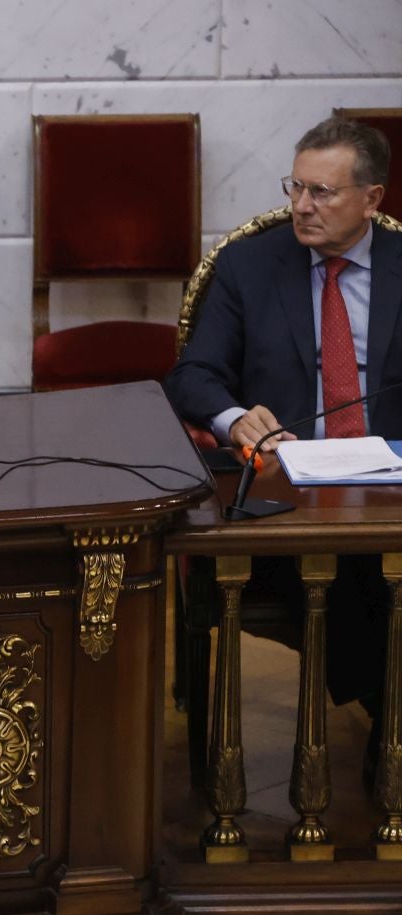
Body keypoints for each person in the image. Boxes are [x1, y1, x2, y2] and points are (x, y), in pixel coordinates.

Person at [165, 117, 398, 755]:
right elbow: (193, 374)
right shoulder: (250, 266)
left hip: (391, 485)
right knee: (350, 572)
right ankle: (390, 725)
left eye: (321, 192)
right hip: (285, 489)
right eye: (296, 186)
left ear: (372, 199)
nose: (299, 206)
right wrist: (232, 417)